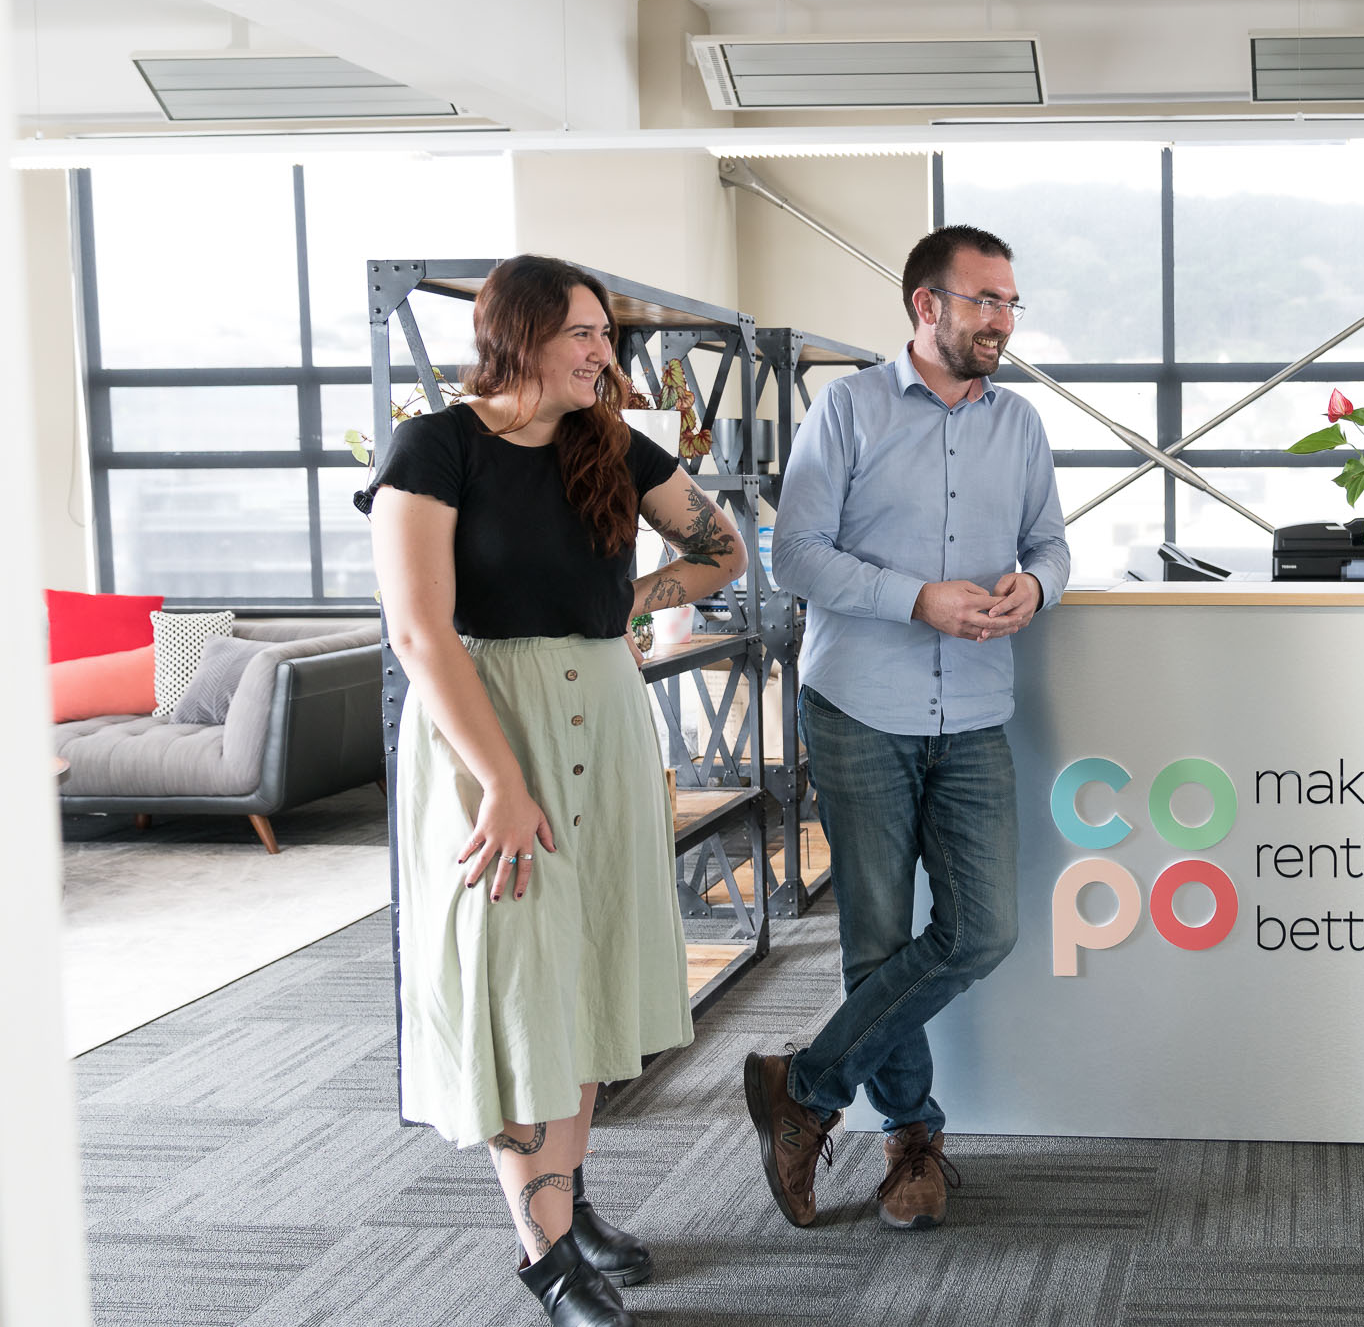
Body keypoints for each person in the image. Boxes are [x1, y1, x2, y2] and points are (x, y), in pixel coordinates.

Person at [361, 254, 747, 1323]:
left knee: (582, 966)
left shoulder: (611, 443)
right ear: (517, 335)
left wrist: (636, 598)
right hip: (487, 725)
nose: (601, 354)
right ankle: (544, 1254)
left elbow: (724, 549)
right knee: (516, 976)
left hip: (606, 714)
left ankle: (563, 1211)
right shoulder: (434, 446)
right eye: (582, 332)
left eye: (605, 336)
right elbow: (418, 632)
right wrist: (500, 782)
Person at [742, 225, 1070, 1232]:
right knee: (876, 937)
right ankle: (912, 1138)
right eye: (981, 300)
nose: (1000, 321)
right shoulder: (845, 408)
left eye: (1009, 302)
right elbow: (792, 555)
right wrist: (910, 598)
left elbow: (1052, 544)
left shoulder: (1018, 425)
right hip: (860, 706)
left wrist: (1034, 586)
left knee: (982, 929)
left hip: (973, 708)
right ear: (923, 306)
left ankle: (803, 1085)